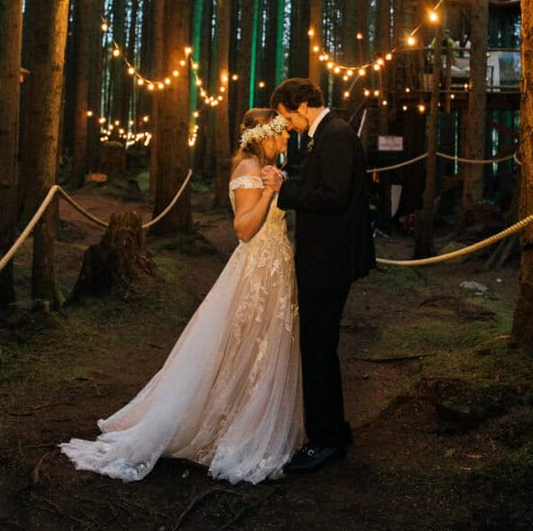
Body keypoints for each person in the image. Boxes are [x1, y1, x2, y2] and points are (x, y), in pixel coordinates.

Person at [60, 109, 304, 485]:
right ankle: (230, 426)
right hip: (257, 269)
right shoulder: (248, 170)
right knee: (244, 345)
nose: (288, 138)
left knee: (262, 347)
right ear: (265, 135)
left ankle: (249, 416)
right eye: (282, 133)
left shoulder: (264, 167)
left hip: (275, 268)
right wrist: (272, 194)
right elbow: (243, 229)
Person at [261, 78, 375, 474]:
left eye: (287, 116)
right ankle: (333, 430)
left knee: (318, 347)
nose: (286, 125)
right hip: (322, 258)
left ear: (304, 105)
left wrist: (285, 190)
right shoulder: (322, 134)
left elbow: (334, 196)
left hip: (330, 261)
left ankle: (325, 439)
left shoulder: (337, 135)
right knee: (318, 345)